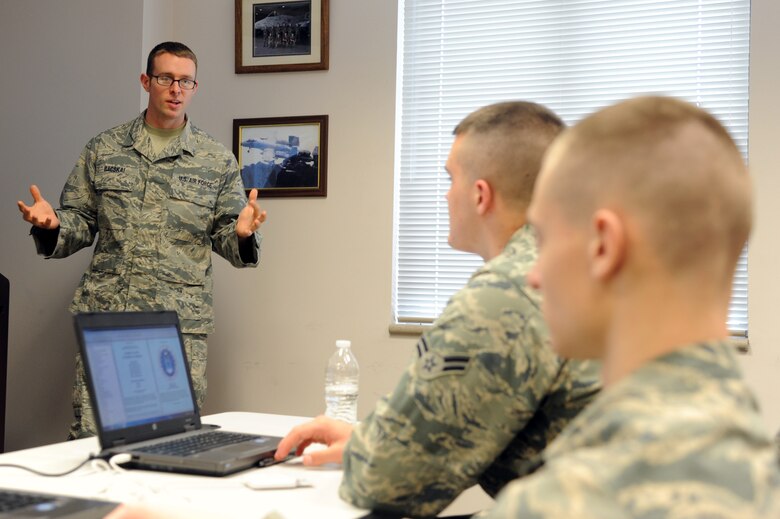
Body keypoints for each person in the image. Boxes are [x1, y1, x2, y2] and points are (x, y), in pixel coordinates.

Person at [273, 102, 601, 517]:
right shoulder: (587, 263)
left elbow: (390, 482)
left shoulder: (504, 294)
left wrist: (368, 453)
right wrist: (364, 441)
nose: (446, 194)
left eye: (451, 179)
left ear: (481, 195)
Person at [484, 96, 780, 517]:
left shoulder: (566, 500)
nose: (534, 274)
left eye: (544, 239)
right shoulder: (754, 462)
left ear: (604, 246)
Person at [16, 41, 266, 440]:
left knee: (170, 438)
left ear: (195, 87)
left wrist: (240, 235)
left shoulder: (216, 160)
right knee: (93, 436)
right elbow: (79, 221)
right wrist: (51, 226)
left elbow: (228, 238)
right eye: (166, 78)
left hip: (178, 327)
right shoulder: (105, 149)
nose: (176, 89)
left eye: (186, 81)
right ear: (146, 81)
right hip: (109, 318)